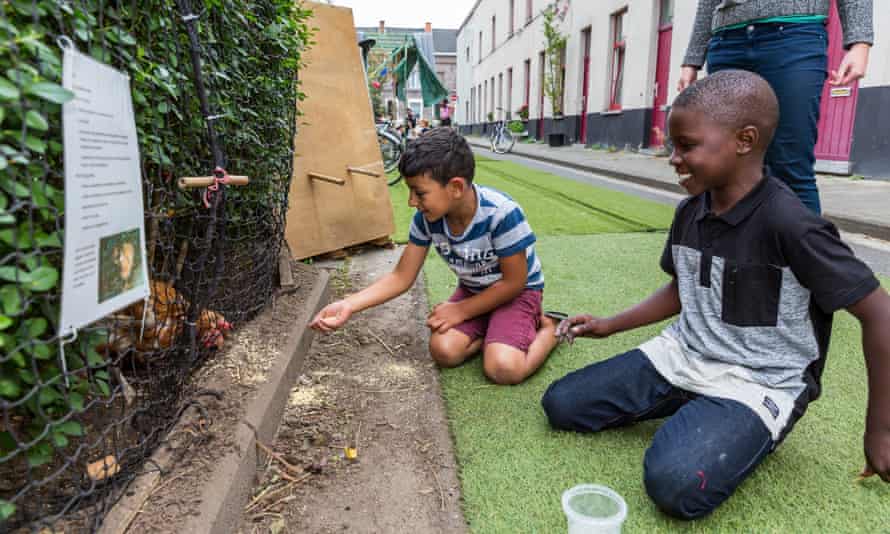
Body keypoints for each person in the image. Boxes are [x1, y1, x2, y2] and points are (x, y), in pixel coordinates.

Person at [541, 70, 890, 519]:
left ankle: (737, 423)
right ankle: (693, 403)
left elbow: (879, 312)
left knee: (675, 484)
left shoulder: (792, 225)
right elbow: (681, 289)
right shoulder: (691, 211)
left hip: (759, 381)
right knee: (562, 404)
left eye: (686, 145)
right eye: (672, 145)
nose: (673, 157)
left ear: (744, 139)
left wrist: (880, 429)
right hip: (685, 355)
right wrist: (609, 326)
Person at [310, 128, 558, 384]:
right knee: (444, 351)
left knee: (503, 369)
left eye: (419, 193)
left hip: (517, 294)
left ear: (456, 187)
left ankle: (551, 329)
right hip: (475, 291)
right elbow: (401, 277)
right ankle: (496, 331)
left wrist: (461, 310)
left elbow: (514, 283)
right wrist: (349, 304)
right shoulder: (427, 220)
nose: (411, 202)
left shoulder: (502, 214)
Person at [677, 0, 873, 215]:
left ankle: (803, 248)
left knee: (790, 166)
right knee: (722, 167)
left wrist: (860, 42)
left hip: (795, 35)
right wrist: (692, 60)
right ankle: (724, 247)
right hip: (726, 41)